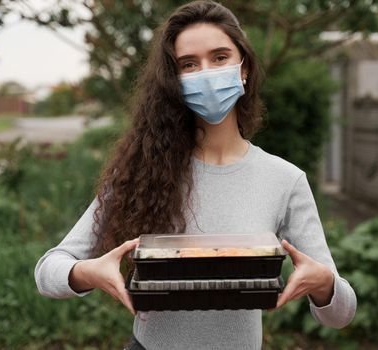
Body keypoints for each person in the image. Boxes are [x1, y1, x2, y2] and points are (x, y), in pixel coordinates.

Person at [34, 1, 357, 349]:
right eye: (189, 64)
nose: (206, 73)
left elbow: (341, 313)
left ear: (243, 67)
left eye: (219, 57)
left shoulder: (285, 180)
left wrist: (324, 285)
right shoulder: (141, 169)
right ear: (174, 81)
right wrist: (86, 273)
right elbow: (48, 271)